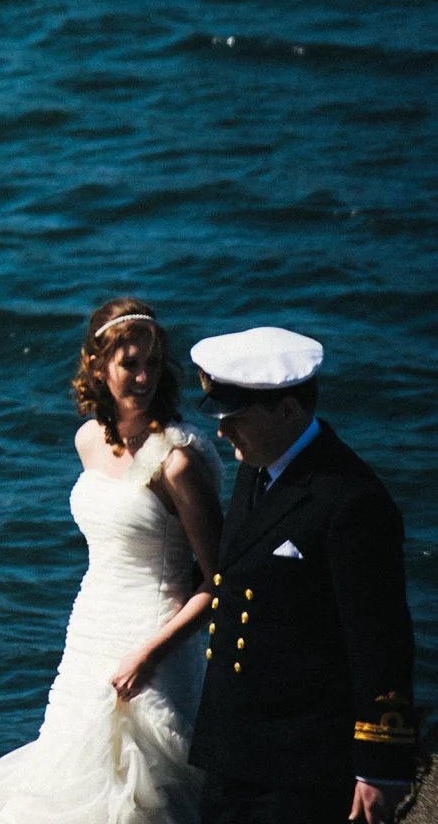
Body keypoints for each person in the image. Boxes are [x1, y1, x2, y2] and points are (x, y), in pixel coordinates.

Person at [0, 297, 224, 824]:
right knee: (65, 779)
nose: (143, 377)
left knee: (139, 796)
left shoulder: (177, 461)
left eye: (151, 363)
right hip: (89, 635)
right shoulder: (88, 440)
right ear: (98, 365)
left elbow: (220, 584)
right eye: (129, 363)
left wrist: (148, 655)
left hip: (154, 644)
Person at [186, 326, 420, 824]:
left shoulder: (351, 501)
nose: (223, 432)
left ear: (288, 411)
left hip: (301, 765)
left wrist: (380, 767)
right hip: (232, 751)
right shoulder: (257, 466)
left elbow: (381, 643)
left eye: (236, 417)